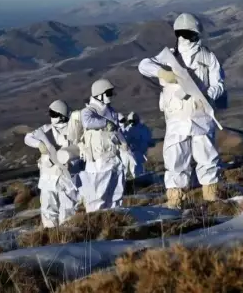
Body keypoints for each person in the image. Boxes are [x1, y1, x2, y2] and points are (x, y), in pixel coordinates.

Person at [138, 13, 225, 209]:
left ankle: (212, 200)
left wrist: (207, 95)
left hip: (201, 117)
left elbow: (219, 83)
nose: (188, 38)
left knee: (207, 159)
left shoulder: (208, 57)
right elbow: (144, 65)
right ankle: (176, 202)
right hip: (177, 119)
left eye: (191, 34)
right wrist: (162, 72)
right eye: (185, 34)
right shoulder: (168, 56)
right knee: (176, 161)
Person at [24, 100, 82, 228]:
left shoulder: (74, 130)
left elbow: (79, 149)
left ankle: (67, 236)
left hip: (67, 177)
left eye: (53, 114)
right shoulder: (46, 130)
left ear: (62, 115)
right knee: (48, 209)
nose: (51, 117)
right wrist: (39, 144)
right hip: (48, 177)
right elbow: (28, 138)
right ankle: (51, 238)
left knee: (68, 209)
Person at [79, 78, 126, 211]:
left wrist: (124, 144)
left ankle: (114, 219)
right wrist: (105, 123)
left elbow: (116, 130)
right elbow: (87, 122)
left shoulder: (111, 111)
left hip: (113, 158)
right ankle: (96, 222)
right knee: (98, 195)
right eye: (108, 93)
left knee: (116, 191)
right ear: (99, 95)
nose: (111, 96)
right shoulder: (89, 111)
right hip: (98, 161)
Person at [122, 111, 153, 178]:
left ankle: (139, 176)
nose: (133, 122)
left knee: (139, 165)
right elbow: (125, 141)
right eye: (131, 121)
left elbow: (148, 138)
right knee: (135, 165)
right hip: (134, 151)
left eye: (134, 121)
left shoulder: (143, 128)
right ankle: (135, 176)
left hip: (140, 151)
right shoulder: (129, 129)